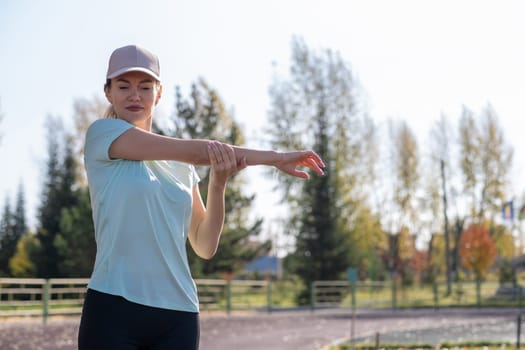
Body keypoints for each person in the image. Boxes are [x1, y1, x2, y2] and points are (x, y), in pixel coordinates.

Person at [78, 44, 325, 350]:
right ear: (108, 92)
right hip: (113, 309)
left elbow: (205, 245)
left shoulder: (183, 166)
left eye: (145, 86)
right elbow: (199, 152)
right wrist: (275, 158)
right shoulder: (102, 135)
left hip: (178, 314)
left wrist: (218, 183)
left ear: (159, 93)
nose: (134, 95)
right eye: (123, 85)